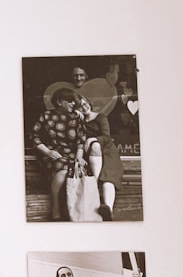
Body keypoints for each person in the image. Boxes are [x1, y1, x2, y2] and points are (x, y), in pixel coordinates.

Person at [30, 88, 86, 221]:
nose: (73, 104)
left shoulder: (76, 118)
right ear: (60, 102)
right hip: (50, 154)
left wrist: (79, 156)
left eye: (74, 102)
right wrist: (48, 152)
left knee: (75, 167)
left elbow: (81, 140)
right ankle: (55, 205)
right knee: (64, 168)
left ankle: (72, 208)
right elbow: (34, 137)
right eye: (70, 101)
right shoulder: (46, 116)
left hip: (71, 155)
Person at [77, 95, 122, 221]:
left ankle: (108, 209)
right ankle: (95, 191)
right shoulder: (79, 122)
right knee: (96, 176)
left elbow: (107, 137)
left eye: (85, 103)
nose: (83, 107)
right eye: (79, 106)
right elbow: (78, 140)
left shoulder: (100, 117)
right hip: (92, 157)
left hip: (108, 152)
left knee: (108, 180)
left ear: (89, 103)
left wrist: (92, 139)